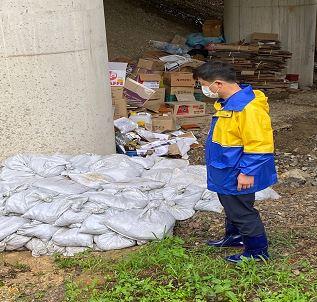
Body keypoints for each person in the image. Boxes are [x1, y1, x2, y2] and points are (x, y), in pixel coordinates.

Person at [193, 61, 277, 263]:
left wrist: (248, 172)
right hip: (227, 167)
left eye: (204, 85)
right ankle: (236, 237)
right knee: (231, 205)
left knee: (242, 210)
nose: (203, 89)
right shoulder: (229, 103)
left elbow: (260, 145)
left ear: (218, 84)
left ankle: (257, 252)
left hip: (237, 169)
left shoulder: (248, 109)